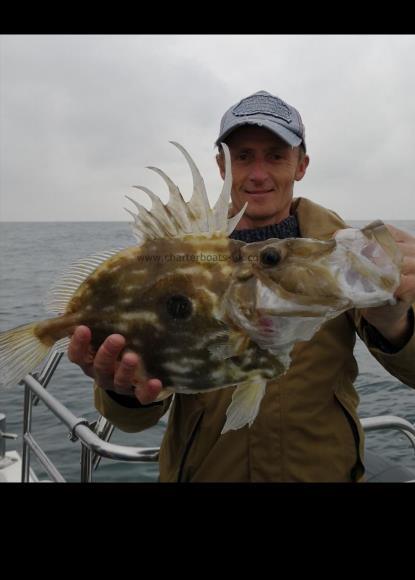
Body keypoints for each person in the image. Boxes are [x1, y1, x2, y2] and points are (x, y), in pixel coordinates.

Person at [68, 91, 415, 482]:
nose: (258, 174)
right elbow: (134, 413)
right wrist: (121, 392)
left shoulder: (335, 260)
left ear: (301, 165)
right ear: (222, 166)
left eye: (276, 155)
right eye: (243, 156)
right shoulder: (180, 261)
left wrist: (396, 322)